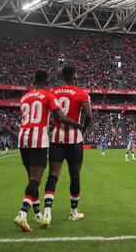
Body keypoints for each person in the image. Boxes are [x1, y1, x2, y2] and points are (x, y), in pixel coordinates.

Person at [14, 69, 83, 232]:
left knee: (32, 179)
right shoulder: (48, 95)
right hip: (39, 141)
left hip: (23, 139)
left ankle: (38, 214)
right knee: (36, 180)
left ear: (33, 81)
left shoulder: (24, 97)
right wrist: (78, 125)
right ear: (47, 82)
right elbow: (60, 117)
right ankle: (22, 214)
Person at [40, 66, 93, 229]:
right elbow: (89, 115)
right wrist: (83, 128)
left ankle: (47, 212)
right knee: (75, 176)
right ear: (73, 76)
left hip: (56, 138)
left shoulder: (53, 91)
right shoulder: (82, 93)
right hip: (74, 140)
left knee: (53, 175)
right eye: (76, 74)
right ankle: (73, 212)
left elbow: (49, 113)